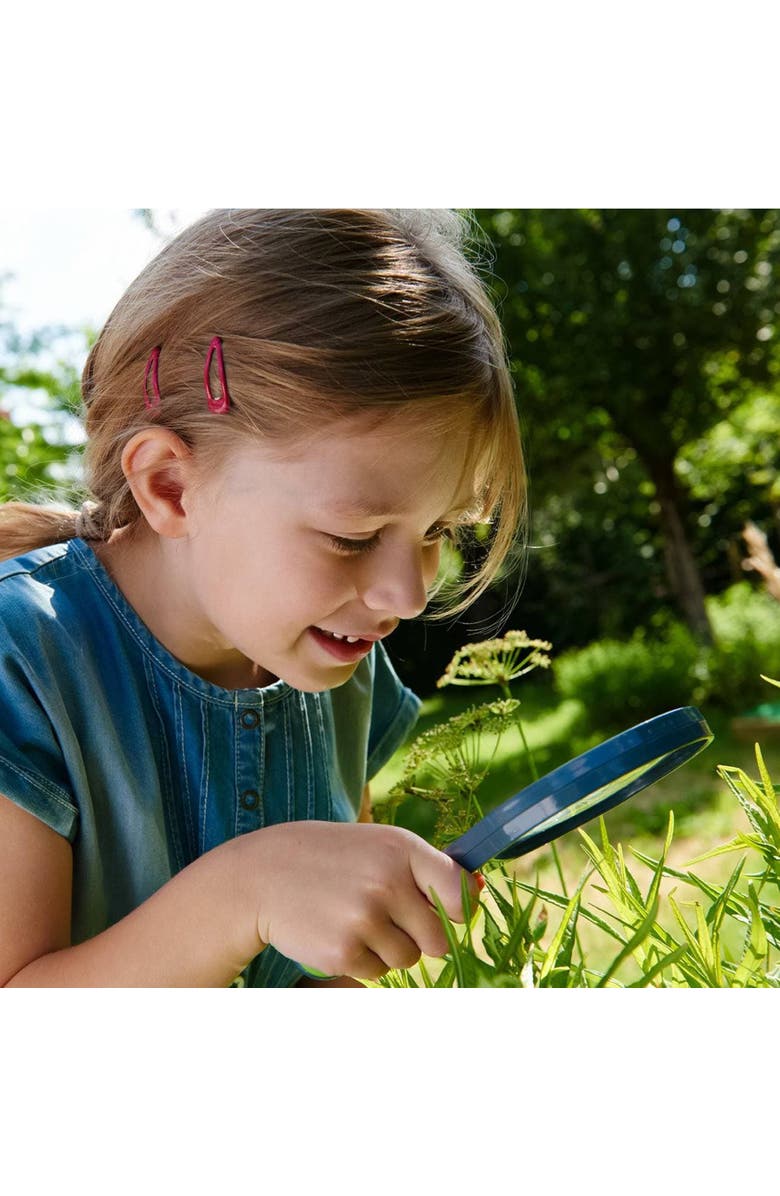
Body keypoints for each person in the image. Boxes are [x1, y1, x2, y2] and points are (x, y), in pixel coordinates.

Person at [0, 209, 526, 987]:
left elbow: (327, 978)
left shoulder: (339, 665)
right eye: (352, 537)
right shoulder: (26, 660)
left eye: (438, 530)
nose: (407, 594)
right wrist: (245, 892)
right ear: (171, 487)